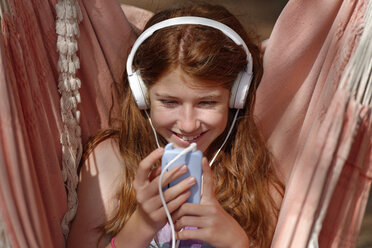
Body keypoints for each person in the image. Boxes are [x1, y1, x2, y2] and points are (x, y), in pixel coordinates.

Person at [67, 3, 284, 248]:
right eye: (170, 102)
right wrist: (142, 225)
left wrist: (238, 244)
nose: (188, 124)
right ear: (142, 95)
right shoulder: (110, 162)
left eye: (207, 102)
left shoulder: (258, 182)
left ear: (237, 98)